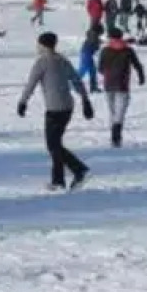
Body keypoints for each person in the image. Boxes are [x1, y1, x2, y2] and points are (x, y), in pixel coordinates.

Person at [17, 32, 92, 190]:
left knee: (53, 145)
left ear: (44, 46)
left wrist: (23, 102)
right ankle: (59, 180)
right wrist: (85, 100)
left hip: (54, 109)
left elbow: (31, 84)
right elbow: (77, 80)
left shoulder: (42, 63)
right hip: (67, 107)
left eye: (38, 44)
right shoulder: (62, 60)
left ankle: (77, 171)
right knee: (55, 144)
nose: (37, 47)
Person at [97, 27, 146, 147]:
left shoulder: (105, 50)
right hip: (122, 84)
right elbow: (137, 65)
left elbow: (100, 68)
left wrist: (106, 72)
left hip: (108, 84)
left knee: (112, 110)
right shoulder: (128, 50)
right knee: (120, 111)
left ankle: (114, 133)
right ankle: (116, 134)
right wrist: (141, 77)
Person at [77, 25, 103, 91]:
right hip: (87, 54)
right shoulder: (94, 36)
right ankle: (73, 83)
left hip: (86, 54)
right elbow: (95, 47)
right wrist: (99, 43)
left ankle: (93, 87)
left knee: (92, 71)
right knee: (83, 70)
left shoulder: (92, 34)